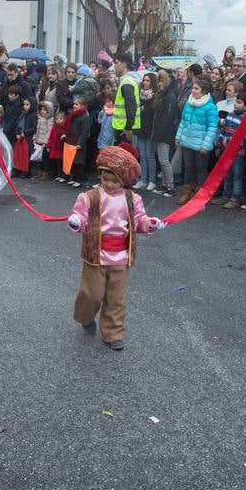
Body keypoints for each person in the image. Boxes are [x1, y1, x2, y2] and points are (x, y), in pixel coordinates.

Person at [67, 146, 163, 351]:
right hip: (95, 254)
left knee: (116, 298)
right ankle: (85, 317)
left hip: (121, 256)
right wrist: (76, 221)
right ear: (100, 176)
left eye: (114, 181)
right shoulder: (89, 197)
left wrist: (150, 224)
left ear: (124, 181)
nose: (109, 184)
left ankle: (114, 333)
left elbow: (140, 221)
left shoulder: (133, 199)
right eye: (105, 179)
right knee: (91, 294)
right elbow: (81, 217)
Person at [174, 76, 217, 204]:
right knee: (188, 168)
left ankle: (200, 196)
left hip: (201, 144)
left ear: (204, 91)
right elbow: (183, 122)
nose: (193, 90)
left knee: (201, 169)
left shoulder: (210, 107)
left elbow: (212, 127)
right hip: (187, 142)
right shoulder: (189, 103)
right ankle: (186, 193)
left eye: (196, 88)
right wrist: (178, 137)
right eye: (193, 88)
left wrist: (206, 145)